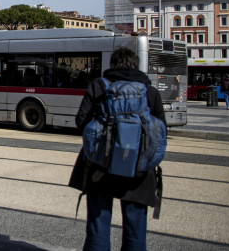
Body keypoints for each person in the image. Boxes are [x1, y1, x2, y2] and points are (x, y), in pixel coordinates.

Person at [68, 47, 165, 251]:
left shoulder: (99, 86)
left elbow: (81, 122)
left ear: (112, 65)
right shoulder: (150, 91)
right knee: (135, 229)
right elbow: (160, 132)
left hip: (99, 167)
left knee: (98, 225)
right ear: (136, 66)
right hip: (138, 171)